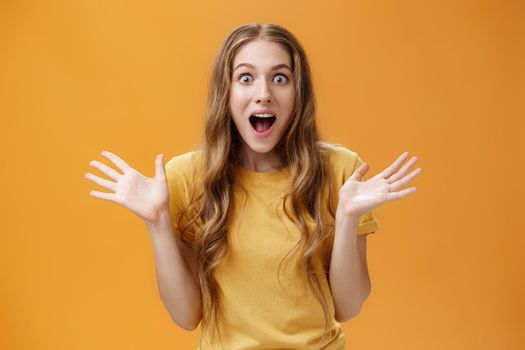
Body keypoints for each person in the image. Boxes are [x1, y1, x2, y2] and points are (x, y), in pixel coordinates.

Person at [84, 23, 422, 350]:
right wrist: (157, 222)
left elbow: (348, 308)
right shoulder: (186, 177)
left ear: (298, 92)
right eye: (246, 78)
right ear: (226, 92)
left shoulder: (340, 170)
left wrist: (348, 219)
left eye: (280, 78)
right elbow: (186, 316)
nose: (264, 95)